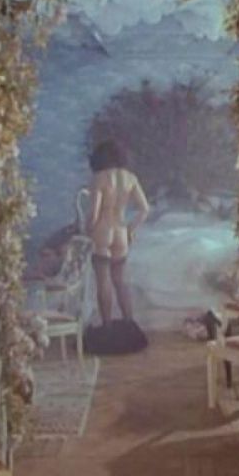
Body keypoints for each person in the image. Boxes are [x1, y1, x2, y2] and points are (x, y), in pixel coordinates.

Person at [84, 139, 150, 354]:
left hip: (102, 232)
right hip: (121, 231)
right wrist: (131, 229)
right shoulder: (130, 178)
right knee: (120, 281)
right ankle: (128, 322)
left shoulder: (99, 178)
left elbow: (94, 214)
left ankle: (107, 327)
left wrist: (85, 230)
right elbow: (144, 209)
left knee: (103, 281)